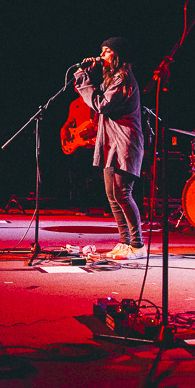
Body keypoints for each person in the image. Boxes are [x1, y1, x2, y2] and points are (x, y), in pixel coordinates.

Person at [73, 37, 145, 260]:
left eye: (106, 52)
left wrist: (83, 80)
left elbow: (102, 104)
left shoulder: (123, 78)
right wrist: (91, 75)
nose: (101, 55)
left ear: (117, 55)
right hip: (111, 142)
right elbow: (101, 95)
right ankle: (125, 242)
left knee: (123, 193)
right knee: (112, 196)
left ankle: (137, 244)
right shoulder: (113, 78)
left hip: (125, 142)